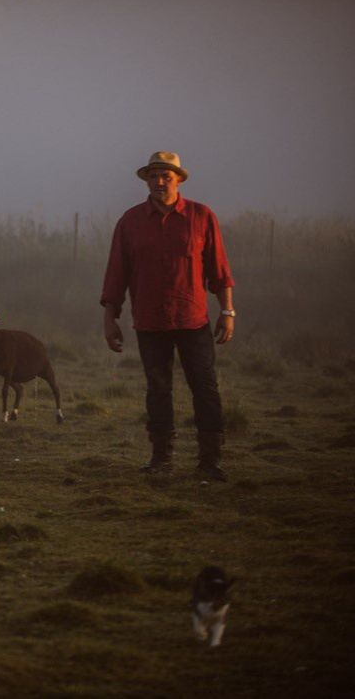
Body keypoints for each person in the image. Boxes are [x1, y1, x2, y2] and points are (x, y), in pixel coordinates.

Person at [100, 151, 235, 479]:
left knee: (205, 387)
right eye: (153, 176)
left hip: (193, 318)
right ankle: (161, 458)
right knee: (158, 389)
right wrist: (110, 318)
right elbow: (117, 273)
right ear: (146, 179)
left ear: (179, 179)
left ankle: (210, 461)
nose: (159, 182)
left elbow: (218, 270)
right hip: (150, 321)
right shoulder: (130, 222)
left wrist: (227, 310)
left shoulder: (201, 217)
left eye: (166, 176)